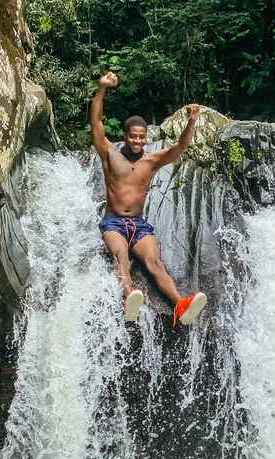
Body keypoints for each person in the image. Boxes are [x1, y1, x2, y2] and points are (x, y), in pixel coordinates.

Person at [90, 71, 207, 324]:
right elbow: (96, 123)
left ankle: (180, 305)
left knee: (155, 262)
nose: (137, 140)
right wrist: (102, 89)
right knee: (121, 256)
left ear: (146, 137)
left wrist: (191, 122)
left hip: (139, 225)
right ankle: (129, 297)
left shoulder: (151, 161)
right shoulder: (109, 154)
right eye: (133, 136)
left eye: (142, 137)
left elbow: (180, 146)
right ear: (125, 135)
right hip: (113, 223)